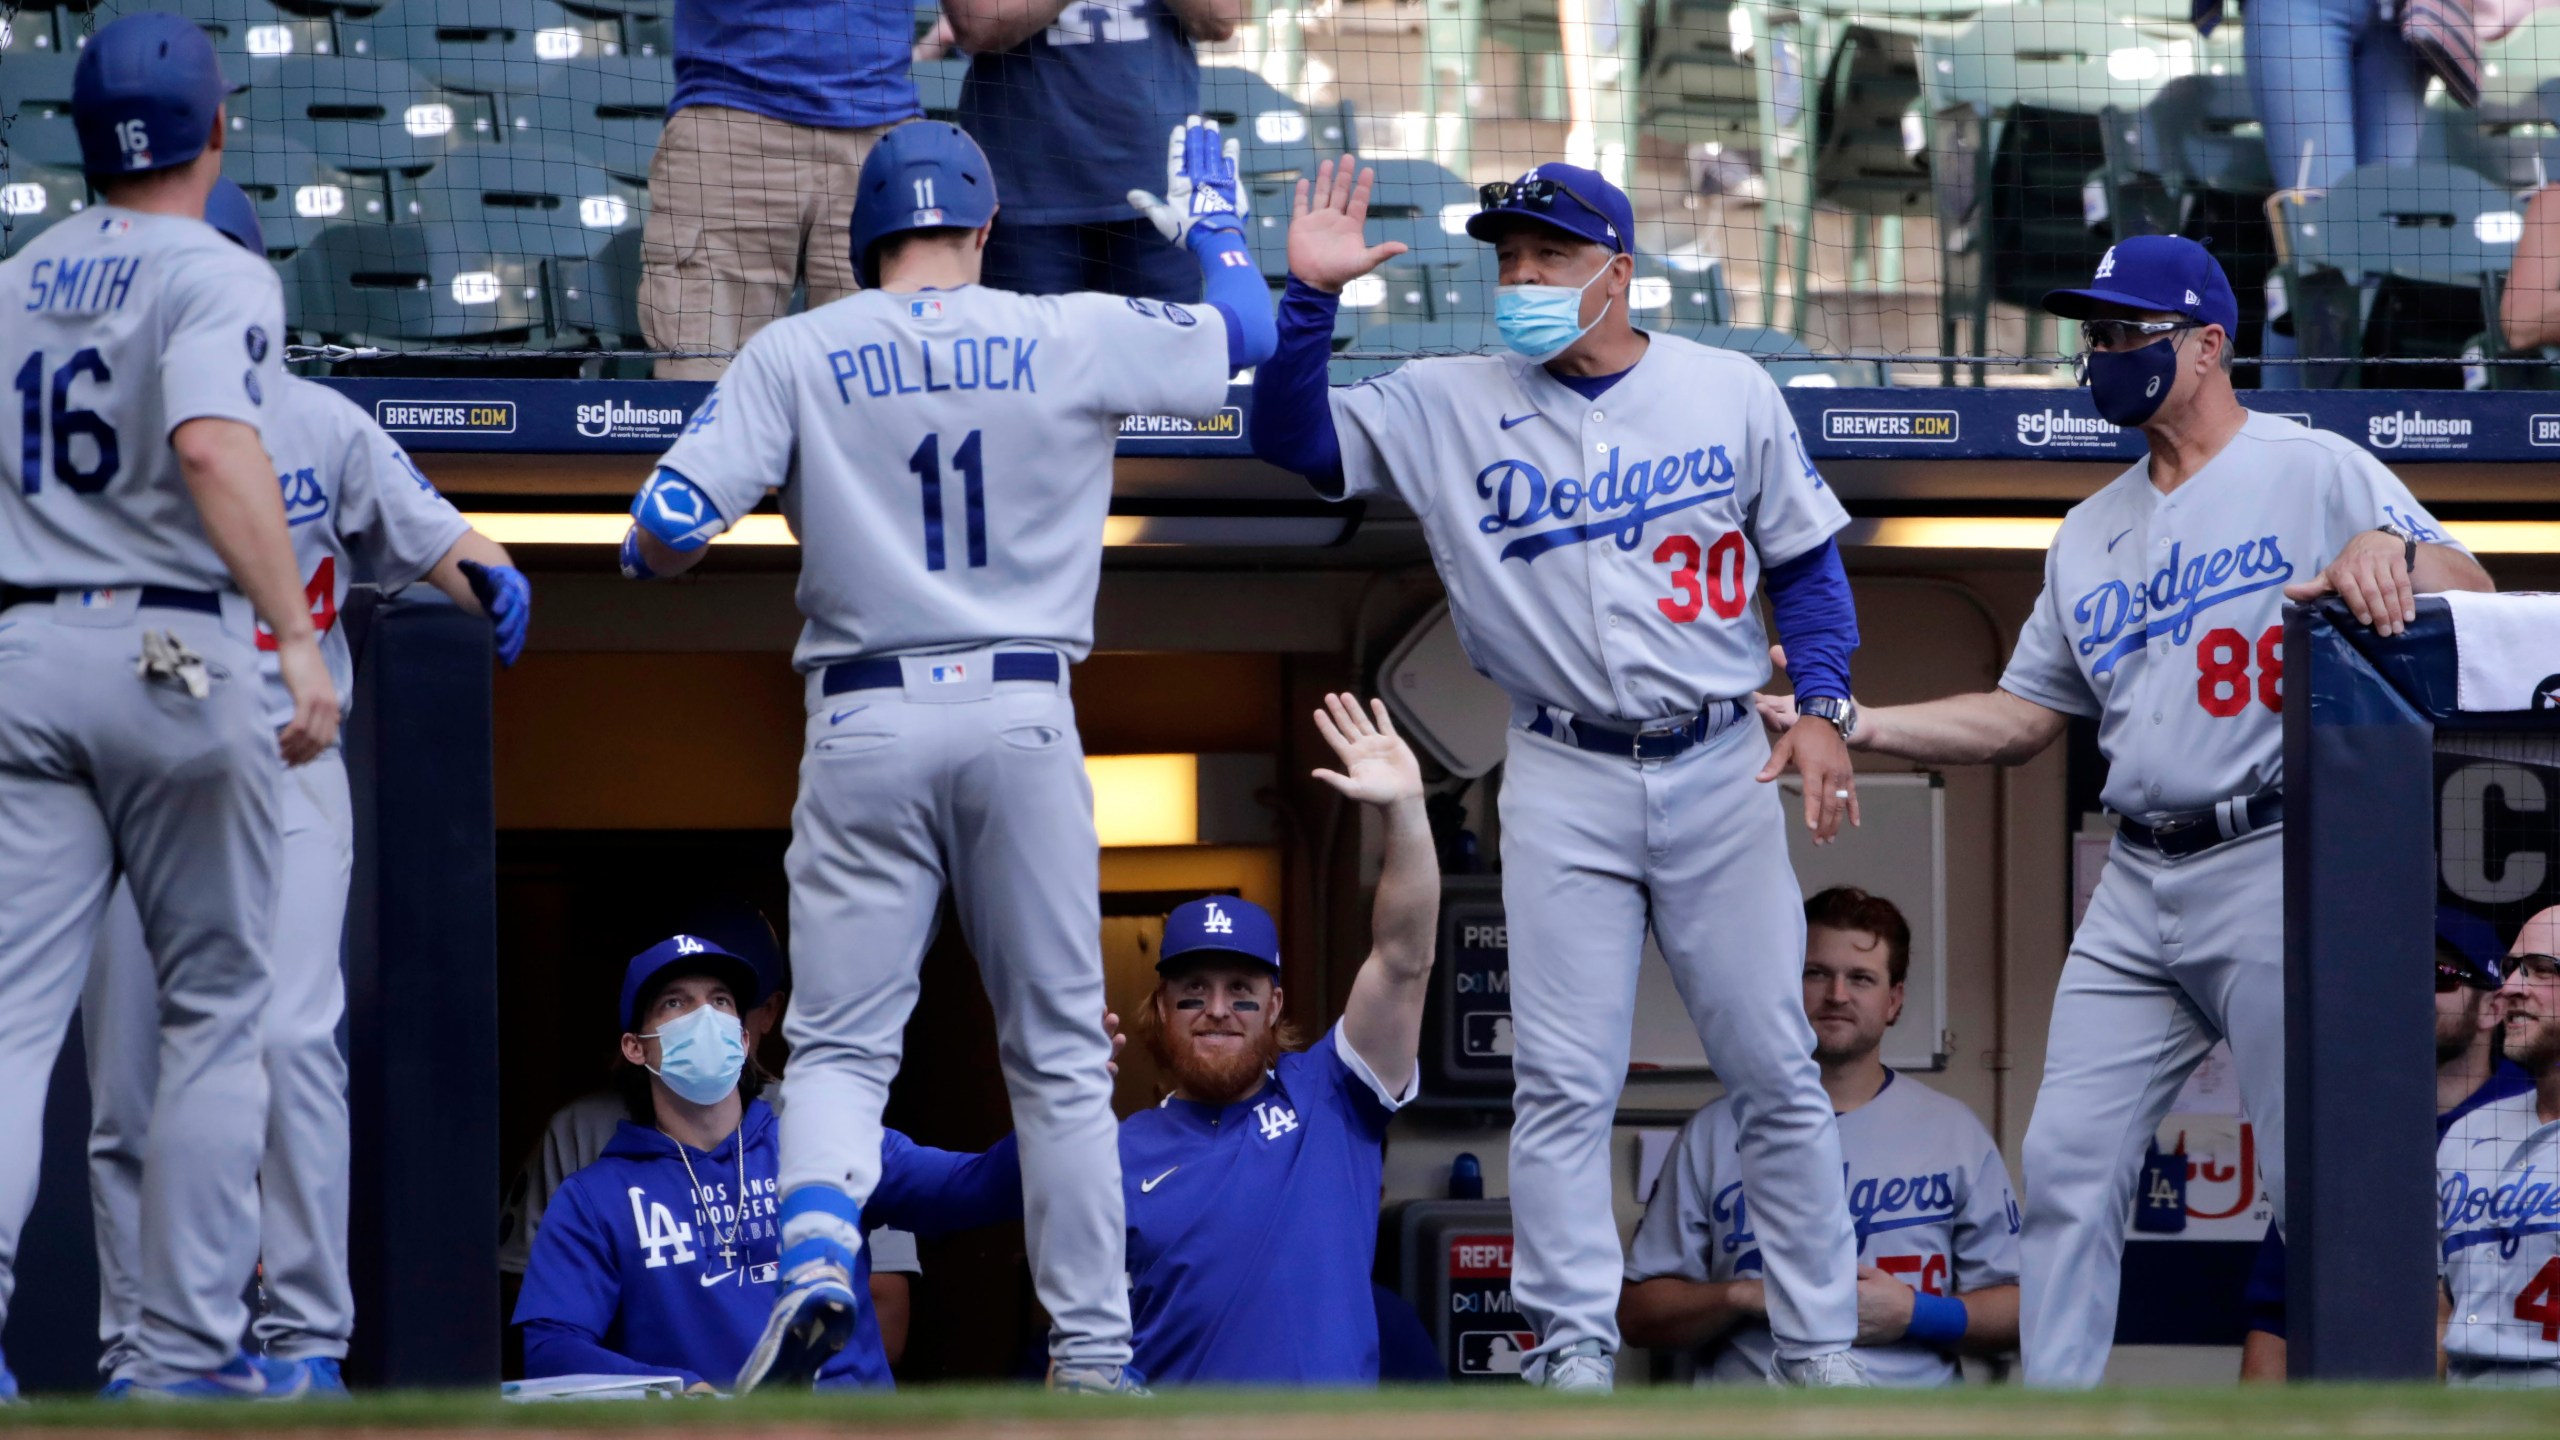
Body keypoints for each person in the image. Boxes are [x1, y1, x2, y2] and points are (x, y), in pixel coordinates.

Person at [1754, 233, 2496, 1387]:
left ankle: (2373, 1406)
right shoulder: (2085, 530)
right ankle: (2061, 1417)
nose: (2099, 353)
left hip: (2273, 851)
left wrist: (2389, 545)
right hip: (2138, 877)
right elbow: (2020, 716)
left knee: (2320, 1182)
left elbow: (2475, 590)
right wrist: (1856, 722)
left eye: (2123, 332)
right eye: (2091, 334)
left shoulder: (2312, 468)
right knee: (2063, 1163)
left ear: (2207, 346)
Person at [617, 118, 1273, 1395]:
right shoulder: (1061, 324)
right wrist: (1219, 235)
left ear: (863, 244)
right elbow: (1240, 337)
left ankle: (815, 1256)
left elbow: (664, 532)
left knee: (845, 1049)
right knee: (1060, 1059)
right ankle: (1090, 1357)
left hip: (864, 718)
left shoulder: (796, 346)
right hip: (1022, 710)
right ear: (982, 231)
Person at [1247, 158, 1870, 1391]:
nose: (1521, 278)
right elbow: (1290, 440)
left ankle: (1819, 1345)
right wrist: (1306, 303)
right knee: (1562, 1084)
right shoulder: (1447, 398)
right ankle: (1573, 1344)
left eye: (1549, 255)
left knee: (1776, 1072)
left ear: (1619, 272)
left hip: (1715, 761)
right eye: (1508, 257)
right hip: (1561, 768)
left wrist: (1828, 706)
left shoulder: (1724, 388)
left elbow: (1804, 565)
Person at [75, 178, 530, 1399]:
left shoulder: (322, 423)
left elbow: (445, 542)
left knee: (287, 1039)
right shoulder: (92, 430)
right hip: (139, 778)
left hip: (285, 769)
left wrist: (494, 574)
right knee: (130, 1078)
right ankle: (142, 1352)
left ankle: (303, 1336)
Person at [0, 15, 342, 1400]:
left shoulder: (15, 275)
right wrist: (297, 648)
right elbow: (212, 446)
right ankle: (186, 1357)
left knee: (14, 1027)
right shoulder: (216, 268)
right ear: (215, 129)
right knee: (215, 1009)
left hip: (27, 647)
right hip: (175, 655)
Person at [1059, 693, 1438, 1383]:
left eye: (1242, 992)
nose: (1218, 1009)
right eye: (1193, 992)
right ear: (1162, 1011)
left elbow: (1403, 959)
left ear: (1275, 1007)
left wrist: (1406, 814)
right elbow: (1078, 1353)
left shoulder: (1334, 1094)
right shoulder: (1113, 1153)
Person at [513, 934, 1019, 1391]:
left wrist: (1065, 1101)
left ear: (745, 1038)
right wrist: (679, 1390)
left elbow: (974, 1187)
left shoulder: (825, 1145)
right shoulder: (593, 1200)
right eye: (675, 1003)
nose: (704, 1017)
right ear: (635, 1048)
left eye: (721, 1001)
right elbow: (551, 1351)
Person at [1622, 887, 2021, 1384]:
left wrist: (1915, 1314)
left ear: (1893, 1000)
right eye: (1816, 974)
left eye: (1861, 978)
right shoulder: (1713, 1131)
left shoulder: (1954, 1133)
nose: (1836, 995)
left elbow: (2022, 1313)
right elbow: (1637, 1314)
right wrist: (1744, 1295)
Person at [2238, 906, 2534, 1380]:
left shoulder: (2537, 1118)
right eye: (2396, 972)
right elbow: (2276, 1319)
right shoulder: (2340, 1130)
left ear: (2493, 1009)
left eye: (2439, 976)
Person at [637, 0, 922, 378]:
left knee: (873, 396)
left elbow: (978, 20)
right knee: (703, 393)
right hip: (731, 120)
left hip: (877, 135)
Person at [944, 0, 1239, 299]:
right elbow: (976, 26)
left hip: (1160, 191)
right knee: (1038, 345)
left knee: (1164, 344)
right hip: (1027, 193)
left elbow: (1220, 19)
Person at [2437, 905, 2560, 1386]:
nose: (2510, 987)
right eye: (2512, 968)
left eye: (2542, 970)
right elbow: (2443, 1311)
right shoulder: (2466, 1134)